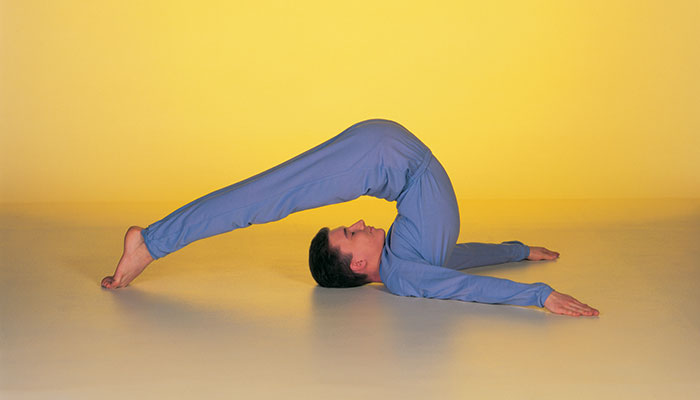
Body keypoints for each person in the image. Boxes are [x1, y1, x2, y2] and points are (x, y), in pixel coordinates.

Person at [101, 119, 599, 317]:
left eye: (349, 228)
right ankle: (150, 241)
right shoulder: (407, 273)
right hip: (378, 155)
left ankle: (153, 241)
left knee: (265, 197)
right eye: (350, 233)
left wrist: (519, 254)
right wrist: (535, 286)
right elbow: (462, 277)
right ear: (358, 265)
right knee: (262, 198)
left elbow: (455, 265)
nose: (359, 223)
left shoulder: (407, 262)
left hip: (377, 155)